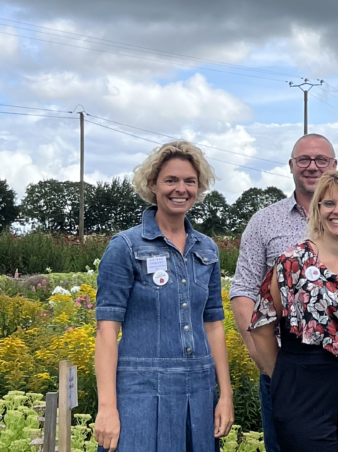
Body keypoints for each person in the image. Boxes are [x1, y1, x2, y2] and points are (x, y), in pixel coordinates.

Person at [229, 133, 338, 451]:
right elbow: (246, 290)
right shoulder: (266, 223)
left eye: (321, 160)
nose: (312, 166)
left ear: (334, 165)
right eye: (304, 159)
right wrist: (274, 370)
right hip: (291, 370)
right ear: (291, 165)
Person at [95, 141, 234, 452]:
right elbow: (106, 330)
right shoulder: (125, 247)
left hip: (198, 392)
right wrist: (107, 408)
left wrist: (224, 394)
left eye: (189, 181)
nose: (180, 189)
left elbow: (214, 325)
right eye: (171, 180)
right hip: (140, 394)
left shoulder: (206, 249)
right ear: (152, 185)